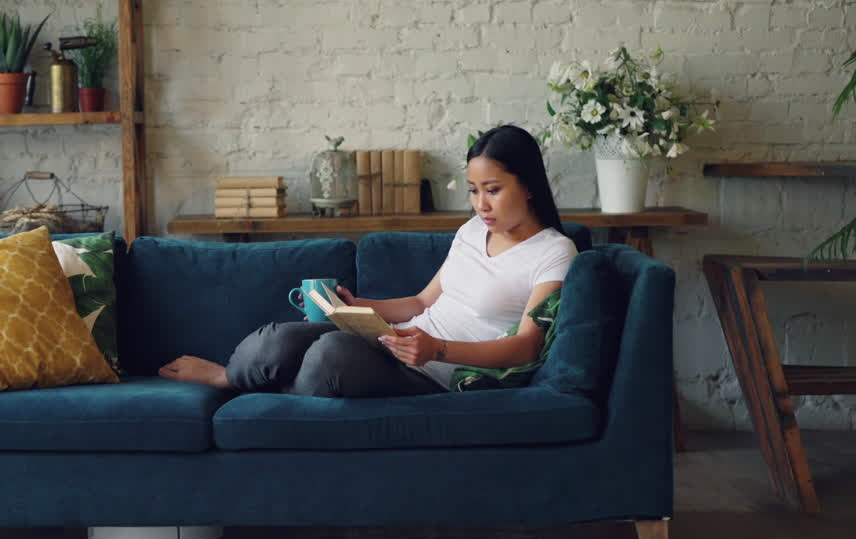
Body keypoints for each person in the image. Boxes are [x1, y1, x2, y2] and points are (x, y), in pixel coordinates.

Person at [159, 124, 578, 396]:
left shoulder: (553, 253)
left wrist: (437, 350)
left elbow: (526, 348)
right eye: (472, 190)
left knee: (330, 355)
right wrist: (357, 307)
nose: (480, 204)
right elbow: (420, 303)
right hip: (401, 341)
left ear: (529, 187)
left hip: (437, 373)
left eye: (493, 189)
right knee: (279, 338)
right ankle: (226, 378)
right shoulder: (472, 231)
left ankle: (266, 391)